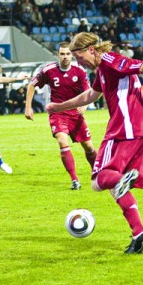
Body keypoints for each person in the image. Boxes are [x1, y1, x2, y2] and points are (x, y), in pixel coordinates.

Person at [45, 32, 143, 254]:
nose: (79, 62)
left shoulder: (111, 60)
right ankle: (139, 234)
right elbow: (90, 96)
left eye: (79, 57)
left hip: (124, 131)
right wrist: (59, 107)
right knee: (113, 187)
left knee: (98, 180)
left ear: (91, 50)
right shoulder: (103, 69)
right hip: (139, 131)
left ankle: (123, 180)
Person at [25, 42, 97, 190]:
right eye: (62, 54)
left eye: (68, 54)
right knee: (62, 141)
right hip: (57, 112)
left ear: (72, 55)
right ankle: (75, 180)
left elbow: (88, 91)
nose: (65, 57)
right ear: (58, 55)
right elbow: (32, 84)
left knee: (88, 146)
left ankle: (97, 174)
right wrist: (28, 107)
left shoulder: (79, 71)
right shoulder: (48, 70)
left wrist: (84, 105)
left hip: (75, 113)